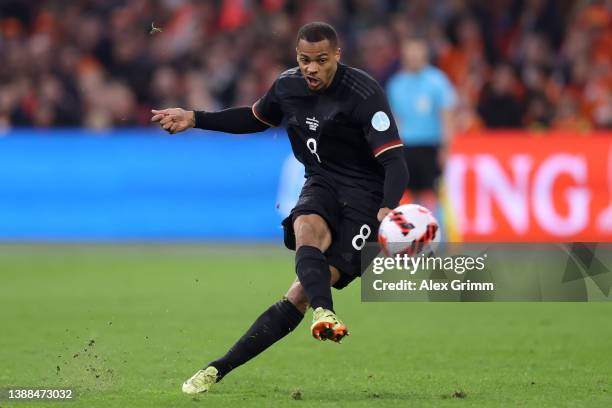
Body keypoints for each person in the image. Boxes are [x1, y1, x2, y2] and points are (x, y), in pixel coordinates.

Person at [151, 22, 408, 395]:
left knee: (299, 295)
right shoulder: (288, 86)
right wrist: (195, 118)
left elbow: (395, 161)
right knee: (305, 226)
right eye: (305, 60)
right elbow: (255, 118)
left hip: (365, 198)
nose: (312, 68)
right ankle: (228, 363)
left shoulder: (364, 94)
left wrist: (387, 207)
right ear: (297, 58)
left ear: (337, 55)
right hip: (321, 180)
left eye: (321, 60)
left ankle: (307, 312)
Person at [386, 37, 456, 211]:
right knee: (409, 197)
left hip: (430, 147)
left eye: (417, 50)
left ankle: (437, 234)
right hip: (406, 148)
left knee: (434, 196)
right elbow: (395, 120)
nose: (414, 55)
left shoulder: (437, 81)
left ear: (425, 53)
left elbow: (446, 116)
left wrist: (446, 148)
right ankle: (414, 234)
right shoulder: (396, 84)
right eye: (410, 51)